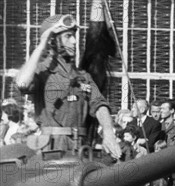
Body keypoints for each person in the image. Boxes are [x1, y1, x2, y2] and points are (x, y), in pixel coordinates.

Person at [15, 14, 121, 158]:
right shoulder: (41, 72)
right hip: (52, 149)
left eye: (74, 36)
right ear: (52, 41)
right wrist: (42, 44)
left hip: (82, 148)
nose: (74, 41)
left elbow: (99, 104)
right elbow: (22, 83)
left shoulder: (83, 76)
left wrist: (108, 133)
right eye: (68, 36)